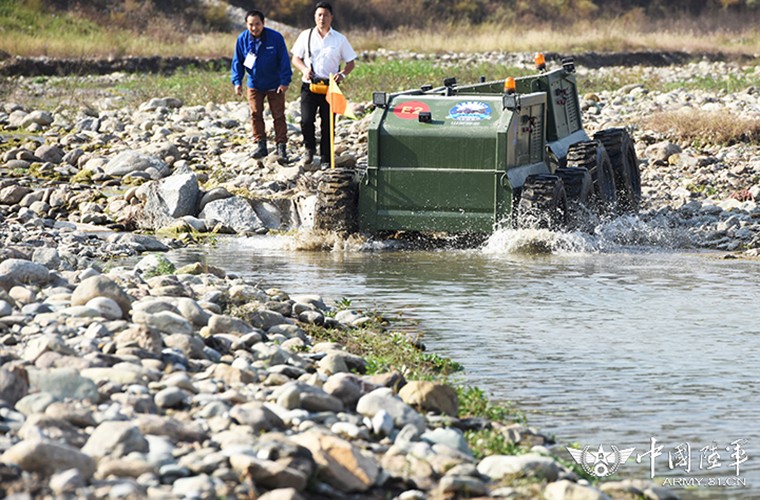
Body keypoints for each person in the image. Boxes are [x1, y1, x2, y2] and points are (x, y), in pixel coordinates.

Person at [291, 2, 356, 166]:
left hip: (331, 87)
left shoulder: (339, 39)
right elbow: (296, 58)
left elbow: (350, 63)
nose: (322, 18)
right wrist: (305, 69)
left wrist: (342, 74)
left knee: (328, 124)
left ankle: (327, 157)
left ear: (331, 17)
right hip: (309, 85)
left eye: (325, 15)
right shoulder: (305, 35)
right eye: (319, 15)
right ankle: (309, 149)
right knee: (306, 120)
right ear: (315, 17)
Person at [231, 9, 292, 161]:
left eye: (257, 24)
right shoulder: (242, 39)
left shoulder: (275, 38)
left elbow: (284, 60)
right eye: (251, 25)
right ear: (246, 25)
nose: (254, 28)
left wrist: (285, 81)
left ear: (263, 23)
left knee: (278, 115)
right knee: (255, 114)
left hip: (274, 84)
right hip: (254, 83)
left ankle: (281, 147)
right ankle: (261, 145)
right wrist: (237, 81)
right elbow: (237, 62)